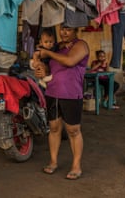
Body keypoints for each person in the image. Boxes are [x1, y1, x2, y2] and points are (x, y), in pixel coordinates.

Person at [34, 24, 89, 180]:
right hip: (52, 92)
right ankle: (53, 161)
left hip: (71, 94)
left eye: (69, 29)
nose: (64, 32)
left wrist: (49, 53)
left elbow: (70, 61)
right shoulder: (55, 46)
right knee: (54, 128)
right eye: (62, 28)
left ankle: (76, 166)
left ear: (75, 30)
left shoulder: (81, 45)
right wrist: (40, 69)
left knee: (73, 130)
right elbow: (41, 60)